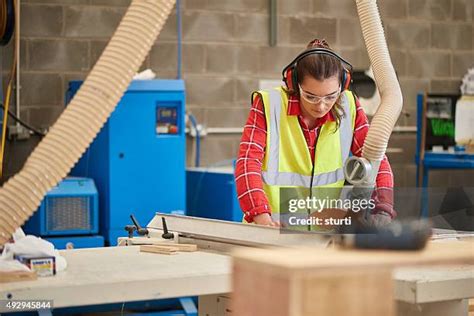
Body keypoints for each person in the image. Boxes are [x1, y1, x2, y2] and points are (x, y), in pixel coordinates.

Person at [234, 38, 395, 228]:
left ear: (343, 86)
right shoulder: (269, 105)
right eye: (310, 96)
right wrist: (260, 216)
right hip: (270, 230)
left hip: (322, 237)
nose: (321, 106)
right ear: (294, 84)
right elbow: (247, 163)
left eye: (330, 97)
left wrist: (384, 208)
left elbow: (376, 160)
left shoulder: (349, 105)